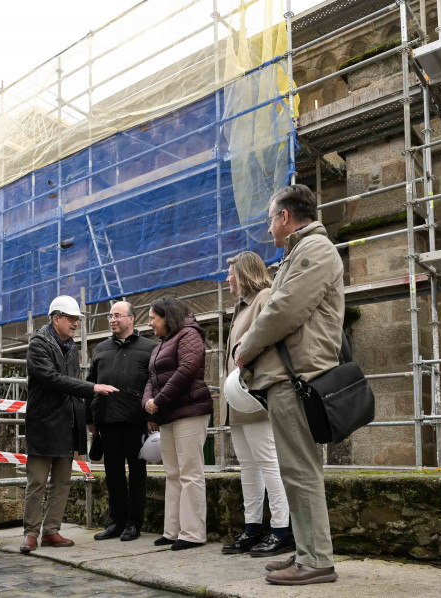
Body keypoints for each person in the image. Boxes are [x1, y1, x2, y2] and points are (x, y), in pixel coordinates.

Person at [234, 184, 344, 586]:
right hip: (287, 376)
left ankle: (316, 560)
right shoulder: (300, 252)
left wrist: (247, 347)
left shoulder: (315, 251)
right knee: (294, 469)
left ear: (285, 217)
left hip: (296, 376)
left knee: (300, 470)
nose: (268, 227)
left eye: (269, 218)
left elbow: (283, 310)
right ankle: (306, 553)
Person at [19, 295, 118, 554]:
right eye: (71, 319)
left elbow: (70, 383)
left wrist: (85, 419)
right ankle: (30, 533)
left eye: (77, 319)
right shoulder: (38, 345)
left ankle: (51, 531)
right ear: (56, 319)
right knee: (37, 481)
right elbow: (53, 379)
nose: (76, 324)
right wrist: (92, 388)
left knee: (62, 482)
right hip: (43, 424)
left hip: (67, 423)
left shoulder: (70, 346)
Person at [221, 252, 293, 558]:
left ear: (244, 272)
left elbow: (269, 344)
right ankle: (253, 528)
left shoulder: (265, 297)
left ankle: (282, 530)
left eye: (230, 273)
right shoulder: (241, 307)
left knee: (268, 464)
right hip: (237, 400)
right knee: (248, 467)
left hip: (255, 397)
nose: (227, 279)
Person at [142, 296, 212, 551]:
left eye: (152, 318)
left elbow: (188, 368)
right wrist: (148, 402)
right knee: (172, 473)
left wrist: (158, 400)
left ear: (166, 316)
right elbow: (151, 377)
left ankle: (193, 533)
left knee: (190, 473)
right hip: (168, 413)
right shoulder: (163, 342)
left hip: (189, 411)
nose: (150, 323)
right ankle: (172, 531)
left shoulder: (189, 334)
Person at [86, 301, 156, 542]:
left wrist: (151, 418)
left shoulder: (149, 348)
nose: (112, 319)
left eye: (117, 315)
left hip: (136, 421)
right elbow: (90, 382)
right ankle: (117, 522)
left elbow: (154, 384)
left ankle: (134, 523)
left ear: (131, 319)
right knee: (113, 472)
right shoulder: (101, 348)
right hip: (107, 419)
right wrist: (90, 419)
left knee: (137, 473)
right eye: (110, 316)